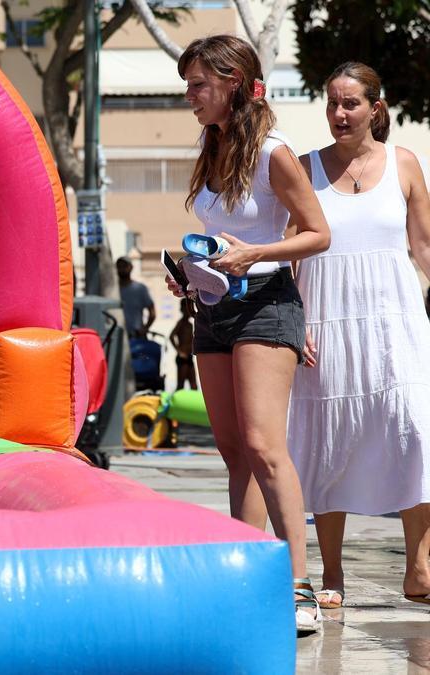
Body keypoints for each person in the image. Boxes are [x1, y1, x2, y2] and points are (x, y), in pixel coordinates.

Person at [166, 35, 331, 633]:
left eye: (198, 85)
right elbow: (221, 233)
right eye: (188, 86)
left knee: (264, 447)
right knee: (234, 451)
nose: (190, 96)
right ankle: (247, 576)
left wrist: (254, 253)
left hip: (266, 303)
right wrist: (190, 273)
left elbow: (318, 233)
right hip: (212, 307)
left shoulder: (273, 152)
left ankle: (298, 586)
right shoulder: (212, 146)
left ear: (233, 82)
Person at [286, 62, 430, 610]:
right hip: (325, 323)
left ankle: (419, 566)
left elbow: (423, 246)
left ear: (376, 107)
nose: (339, 113)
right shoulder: (304, 168)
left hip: (396, 322)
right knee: (330, 441)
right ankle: (332, 570)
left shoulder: (405, 163)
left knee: (414, 431)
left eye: (350, 103)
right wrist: (292, 321)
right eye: (332, 103)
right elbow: (288, 254)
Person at [116, 257, 156, 338]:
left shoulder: (141, 289)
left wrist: (145, 328)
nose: (122, 269)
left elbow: (152, 312)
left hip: (136, 336)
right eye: (119, 266)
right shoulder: (112, 290)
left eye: (124, 266)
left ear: (131, 267)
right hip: (116, 336)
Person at [168, 300, 197, 390]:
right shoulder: (181, 323)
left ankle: (194, 400)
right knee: (180, 385)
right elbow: (171, 336)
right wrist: (179, 351)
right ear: (182, 309)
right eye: (188, 308)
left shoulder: (190, 324)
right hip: (182, 357)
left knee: (194, 385)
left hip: (189, 356)